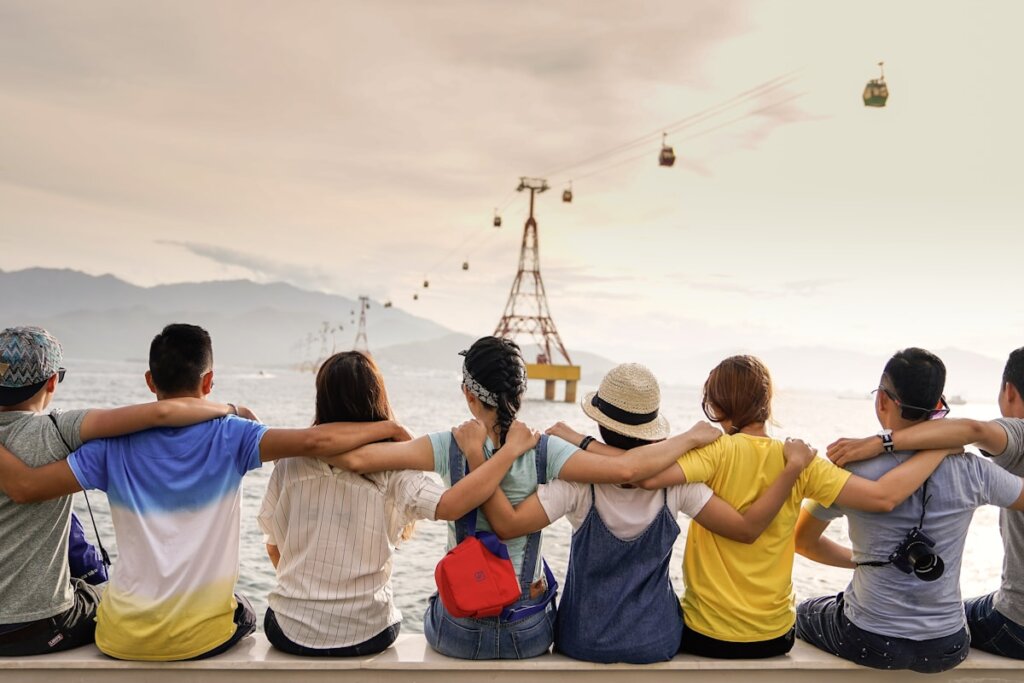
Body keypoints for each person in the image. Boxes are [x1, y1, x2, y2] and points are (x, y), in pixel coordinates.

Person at [0, 324, 412, 661]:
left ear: (149, 381)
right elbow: (316, 442)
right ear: (209, 381)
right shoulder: (233, 436)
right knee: (244, 611)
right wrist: (389, 429)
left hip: (119, 638)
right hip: (203, 639)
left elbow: (30, 487)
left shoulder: (110, 446)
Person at [322, 337, 724, 660]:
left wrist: (391, 427)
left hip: (458, 631)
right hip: (527, 632)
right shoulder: (547, 451)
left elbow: (355, 458)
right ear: (521, 392)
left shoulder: (449, 444)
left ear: (469, 394)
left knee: (437, 599)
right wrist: (688, 438)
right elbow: (628, 470)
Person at [452, 362, 818, 664]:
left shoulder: (578, 484)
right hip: (655, 641)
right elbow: (743, 528)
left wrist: (480, 458)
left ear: (599, 423)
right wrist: (788, 470)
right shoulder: (677, 484)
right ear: (651, 429)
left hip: (583, 641)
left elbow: (507, 524)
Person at [638, 354, 957, 659]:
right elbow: (881, 497)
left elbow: (644, 474)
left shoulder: (714, 452)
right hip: (775, 637)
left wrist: (689, 439)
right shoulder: (802, 460)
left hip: (707, 635)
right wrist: (937, 449)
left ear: (717, 406)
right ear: (766, 402)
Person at [257, 351, 538, 657]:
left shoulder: (289, 464)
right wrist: (506, 452)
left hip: (290, 630)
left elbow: (274, 547)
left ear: (321, 399)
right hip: (368, 632)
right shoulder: (395, 470)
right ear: (378, 398)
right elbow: (450, 505)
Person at [0, 326, 241, 656]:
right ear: (53, 381)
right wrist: (230, 410)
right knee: (103, 593)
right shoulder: (59, 430)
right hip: (33, 629)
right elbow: (161, 413)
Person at [795, 348, 1024, 673]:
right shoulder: (974, 471)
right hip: (948, 645)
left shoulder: (849, 469)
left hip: (869, 639)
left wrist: (863, 562)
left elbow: (802, 541)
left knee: (805, 611)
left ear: (883, 402)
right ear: (939, 407)